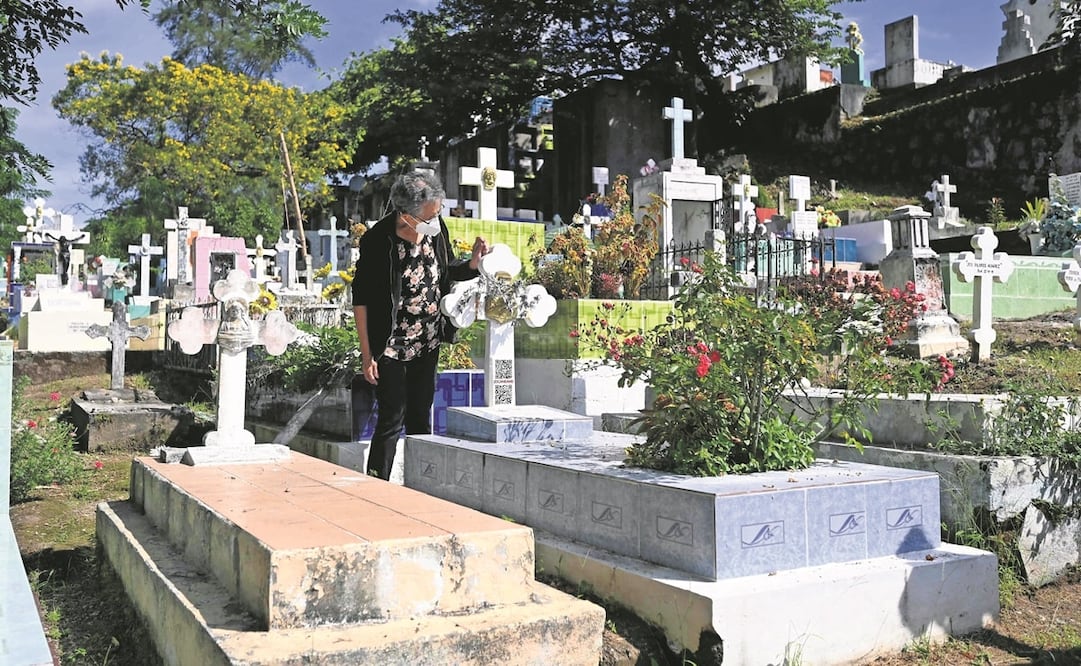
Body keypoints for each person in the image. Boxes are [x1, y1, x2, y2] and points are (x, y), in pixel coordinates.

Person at [352, 170, 489, 480]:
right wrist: (367, 353)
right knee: (391, 417)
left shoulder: (436, 229)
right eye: (429, 215)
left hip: (427, 338)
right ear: (407, 214)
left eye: (437, 213)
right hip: (390, 343)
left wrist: (473, 263)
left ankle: (421, 484)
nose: (434, 221)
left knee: (420, 416)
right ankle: (376, 484)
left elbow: (449, 269)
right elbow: (360, 298)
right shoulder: (378, 241)